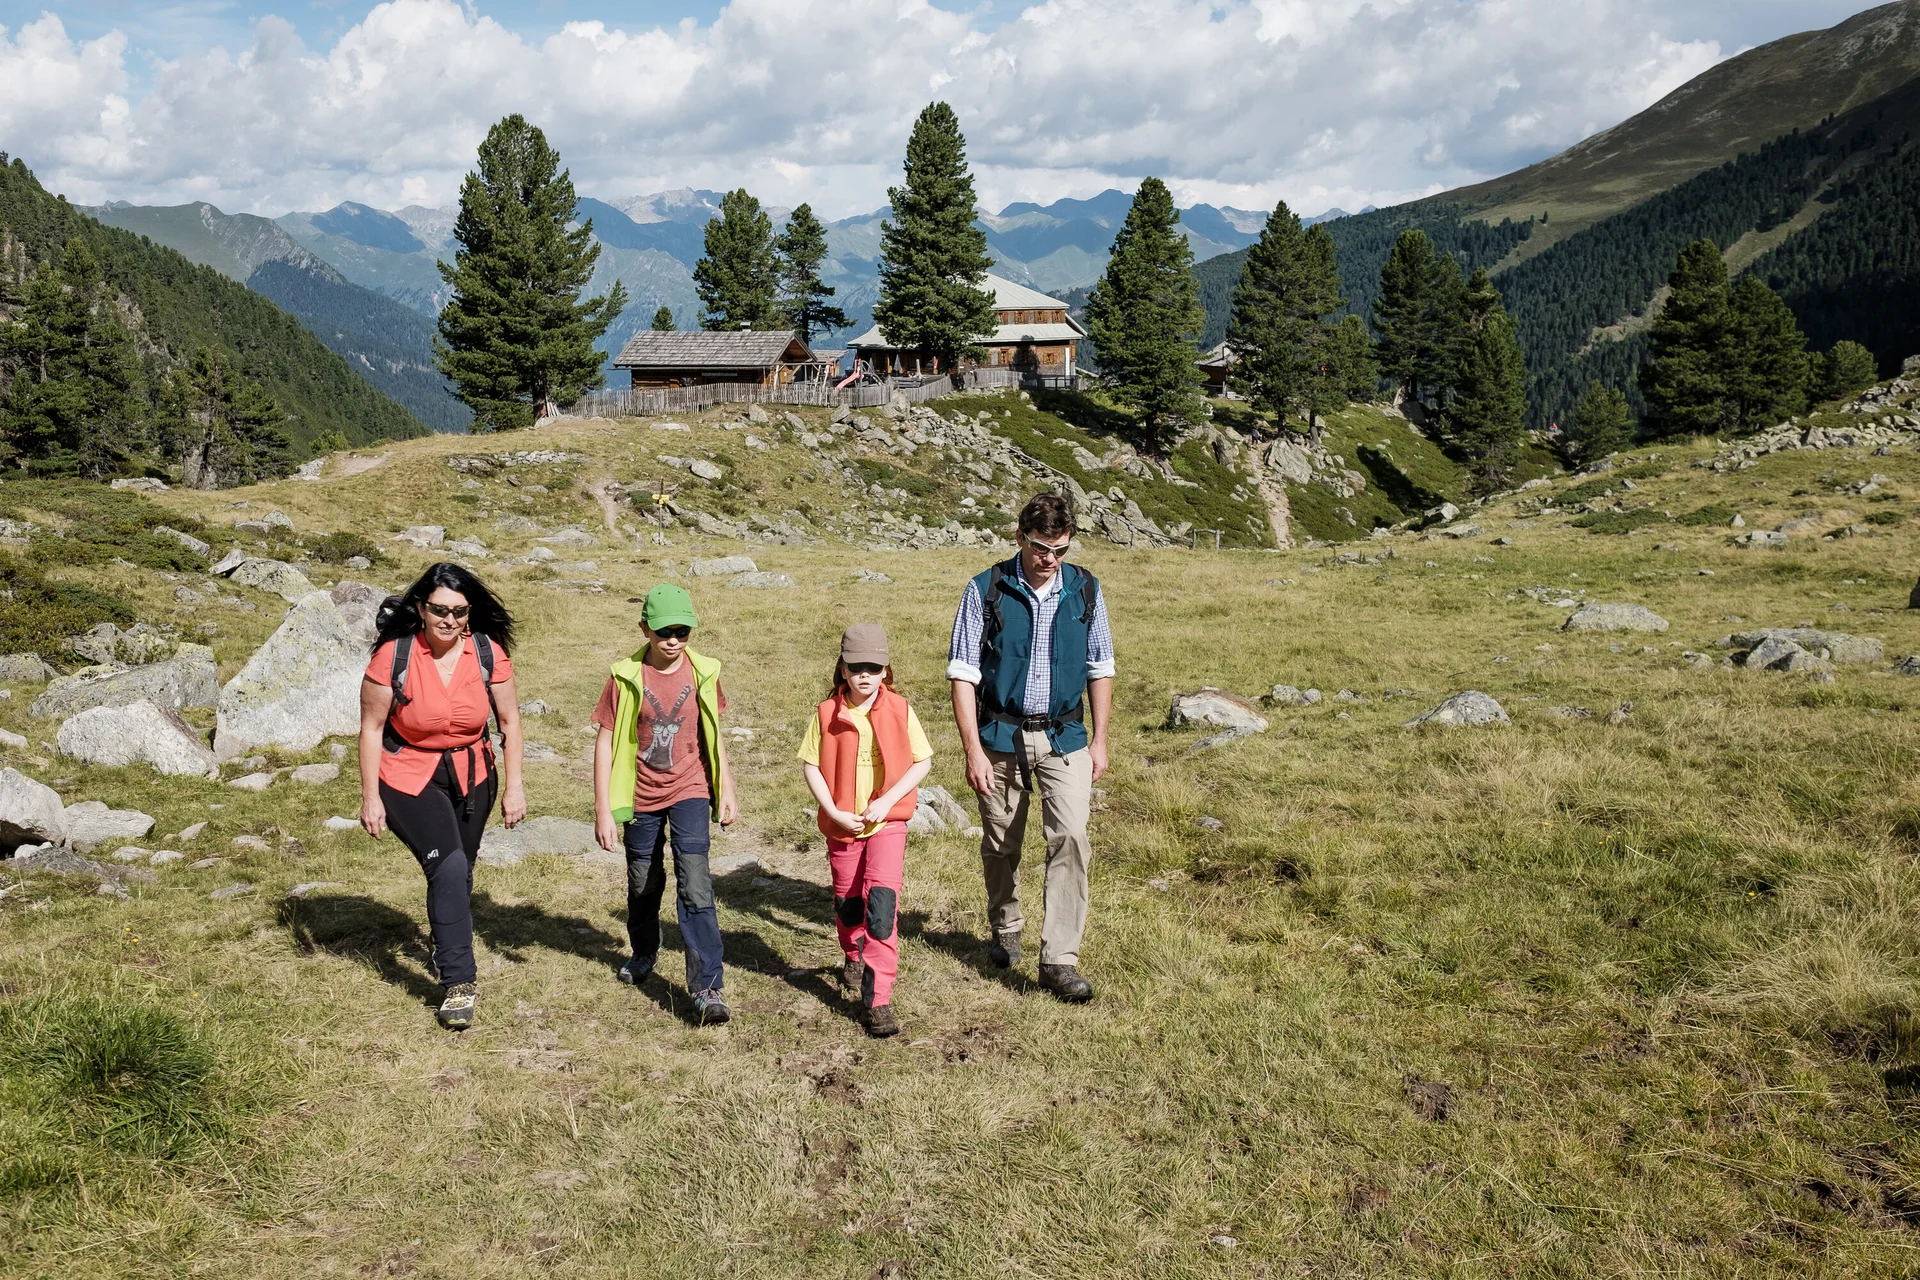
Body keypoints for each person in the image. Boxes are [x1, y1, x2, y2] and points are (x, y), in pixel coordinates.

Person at [948, 492, 1113, 1003]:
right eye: (1041, 547)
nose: (1050, 559)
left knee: (1071, 837)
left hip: (1066, 738)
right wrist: (973, 750)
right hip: (1000, 737)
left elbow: (1101, 666)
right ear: (1019, 537)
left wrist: (1100, 740)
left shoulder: (1086, 589)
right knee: (1002, 844)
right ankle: (1006, 924)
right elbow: (962, 673)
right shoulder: (985, 589)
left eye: (1060, 549)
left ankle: (1059, 960)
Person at [359, 562, 526, 1031]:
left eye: (459, 611)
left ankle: (443, 938)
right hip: (408, 775)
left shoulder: (487, 652)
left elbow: (510, 722)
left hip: (474, 773)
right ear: (421, 609)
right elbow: (371, 727)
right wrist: (370, 796)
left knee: (460, 869)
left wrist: (514, 786)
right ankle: (458, 981)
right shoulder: (393, 656)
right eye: (439, 610)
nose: (449, 620)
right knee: (448, 866)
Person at [592, 583, 739, 1025]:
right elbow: (604, 742)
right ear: (645, 629)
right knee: (643, 881)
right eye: (663, 632)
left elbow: (713, 734)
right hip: (639, 794)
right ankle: (643, 952)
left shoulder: (704, 673)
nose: (673, 640)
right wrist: (603, 809)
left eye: (682, 631)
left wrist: (727, 788)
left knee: (695, 883)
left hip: (690, 787)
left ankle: (707, 986)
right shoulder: (624, 678)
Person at [797, 624, 934, 1038]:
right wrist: (833, 812)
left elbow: (922, 761)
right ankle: (852, 954)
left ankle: (878, 1003)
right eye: (856, 667)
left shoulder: (901, 709)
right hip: (843, 828)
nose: (865, 675)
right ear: (842, 669)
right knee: (848, 905)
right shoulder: (826, 713)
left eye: (873, 668)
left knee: (881, 909)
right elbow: (810, 766)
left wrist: (887, 802)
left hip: (887, 824)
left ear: (886, 670)